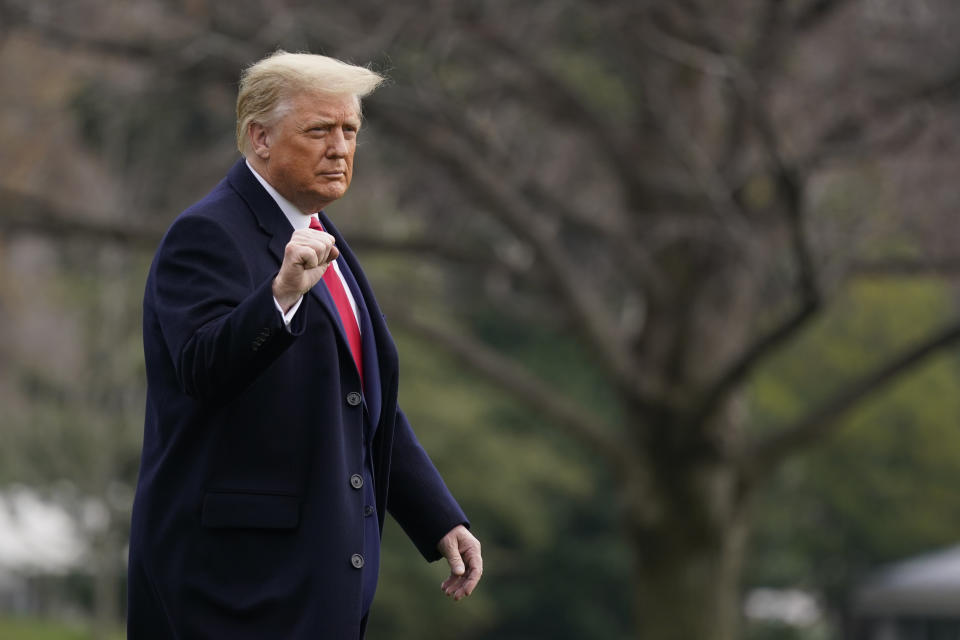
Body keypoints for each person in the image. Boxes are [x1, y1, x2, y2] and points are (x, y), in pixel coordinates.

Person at [127, 50, 482, 639]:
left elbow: (362, 401)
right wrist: (280, 297)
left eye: (350, 131)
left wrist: (438, 518)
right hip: (234, 594)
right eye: (319, 130)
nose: (339, 148)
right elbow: (202, 370)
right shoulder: (206, 233)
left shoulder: (318, 231)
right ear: (259, 138)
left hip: (318, 589)